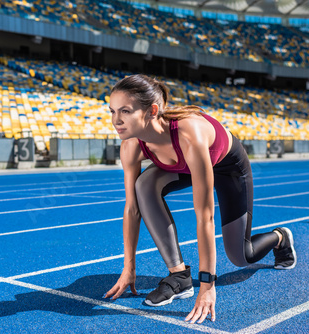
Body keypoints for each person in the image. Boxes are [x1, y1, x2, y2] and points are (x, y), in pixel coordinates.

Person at [103, 74, 296, 324]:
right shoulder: (131, 145)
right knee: (144, 184)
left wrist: (207, 285)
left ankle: (280, 237)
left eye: (125, 111)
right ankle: (179, 277)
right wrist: (129, 268)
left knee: (240, 256)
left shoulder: (188, 134)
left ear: (151, 111)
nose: (116, 121)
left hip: (228, 168)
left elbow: (205, 217)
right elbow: (132, 209)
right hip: (184, 166)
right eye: (112, 111)